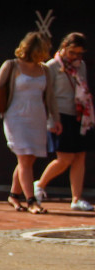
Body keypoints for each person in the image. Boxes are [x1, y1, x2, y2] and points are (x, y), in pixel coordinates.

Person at [0, 31, 61, 214]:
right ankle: (31, 201)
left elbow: (50, 96)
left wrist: (55, 118)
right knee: (24, 157)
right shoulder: (11, 65)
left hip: (37, 117)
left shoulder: (44, 69)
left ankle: (13, 195)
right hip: (16, 117)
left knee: (28, 159)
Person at [35, 32, 93, 211]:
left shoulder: (81, 65)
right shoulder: (51, 66)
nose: (75, 57)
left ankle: (76, 198)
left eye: (79, 53)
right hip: (60, 114)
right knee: (65, 158)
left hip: (80, 115)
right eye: (72, 52)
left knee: (79, 157)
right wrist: (52, 120)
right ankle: (39, 184)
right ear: (64, 47)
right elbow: (47, 95)